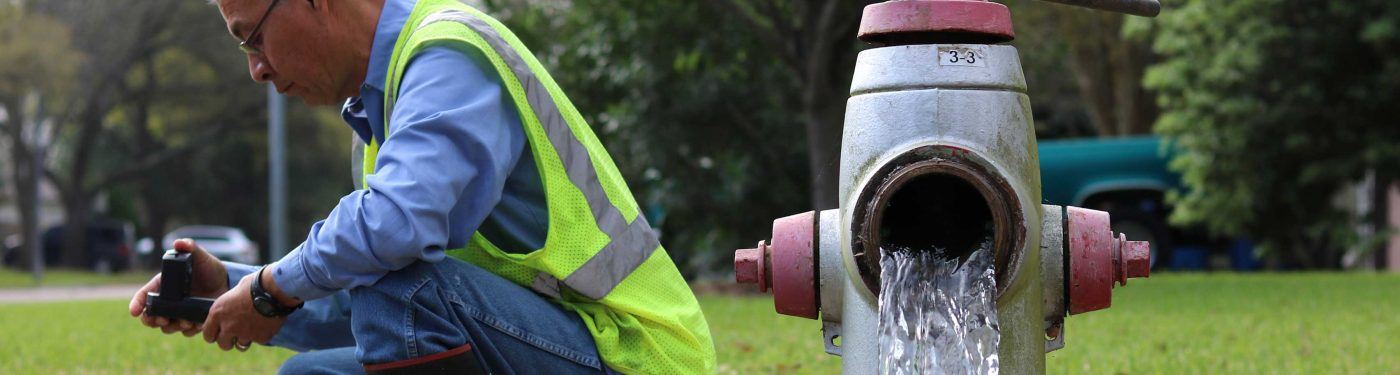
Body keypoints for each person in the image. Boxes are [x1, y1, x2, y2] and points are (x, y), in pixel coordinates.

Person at [126, 0, 717, 373]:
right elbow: (371, 292)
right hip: (551, 342)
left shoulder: (449, 53)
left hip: (634, 356)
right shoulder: (382, 114)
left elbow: (392, 238)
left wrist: (268, 289)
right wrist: (233, 287)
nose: (256, 67)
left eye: (252, 38)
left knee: (399, 281)